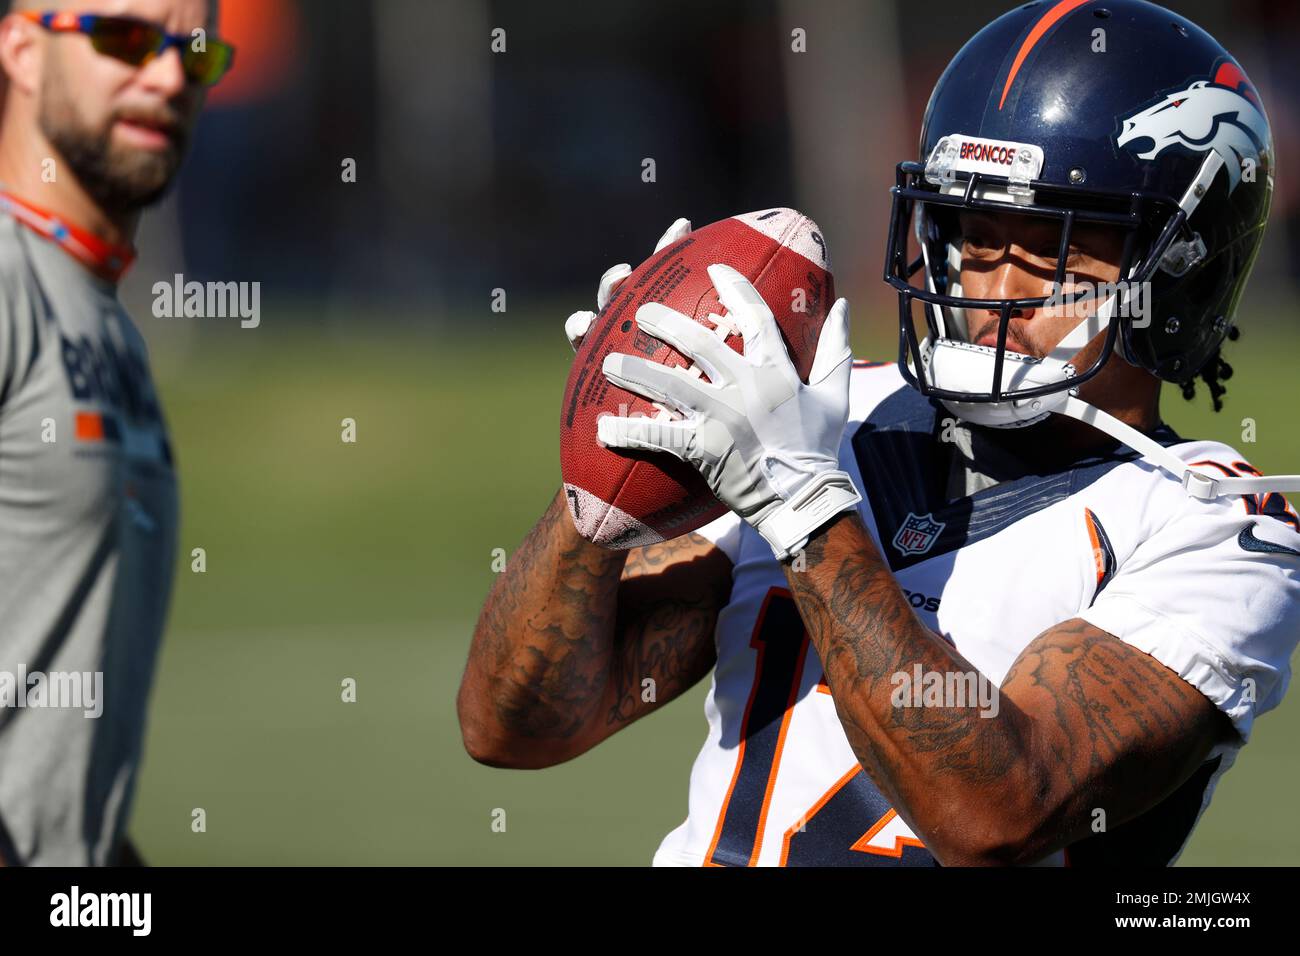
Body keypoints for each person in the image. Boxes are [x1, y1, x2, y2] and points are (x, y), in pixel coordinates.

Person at [459, 0, 1300, 866]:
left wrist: (806, 509)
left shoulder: (1218, 529)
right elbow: (512, 729)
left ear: (1181, 269)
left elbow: (1000, 811)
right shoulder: (822, 416)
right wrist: (601, 484)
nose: (993, 290)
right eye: (974, 238)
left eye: (1049, 247)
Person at [0, 0, 233, 865]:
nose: (168, 75)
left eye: (195, 51)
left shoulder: (107, 324)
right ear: (22, 50)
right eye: (125, 40)